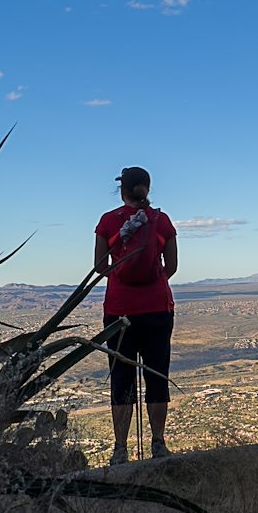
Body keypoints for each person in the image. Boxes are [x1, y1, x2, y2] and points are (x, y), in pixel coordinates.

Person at [94, 166, 179, 465]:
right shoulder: (161, 221)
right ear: (147, 188)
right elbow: (172, 267)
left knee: (121, 379)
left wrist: (122, 279)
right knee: (157, 376)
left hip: (119, 310)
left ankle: (120, 449)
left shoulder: (108, 221)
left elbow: (99, 266)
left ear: (122, 191)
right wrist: (152, 282)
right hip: (157, 308)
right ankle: (158, 443)